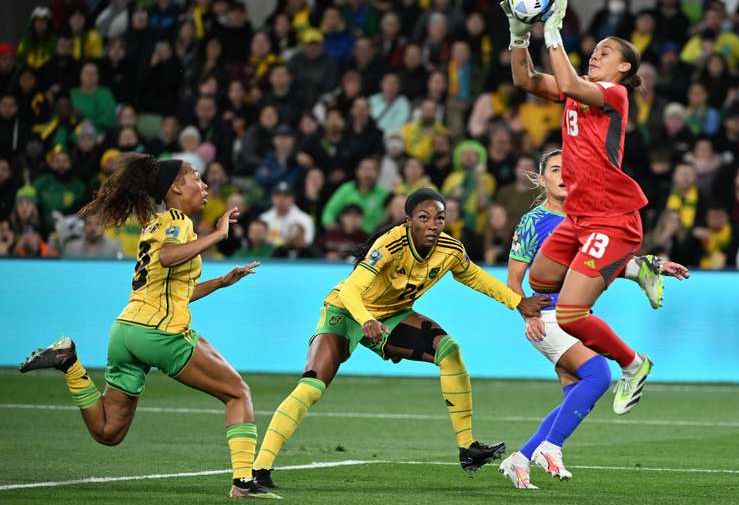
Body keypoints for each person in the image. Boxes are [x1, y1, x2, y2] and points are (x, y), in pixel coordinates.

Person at [250, 188, 550, 489]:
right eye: (424, 217)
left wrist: (516, 301)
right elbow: (351, 290)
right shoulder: (389, 245)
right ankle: (260, 468)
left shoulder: (450, 249)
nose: (433, 224)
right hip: (345, 312)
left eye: (440, 218)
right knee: (311, 386)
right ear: (408, 221)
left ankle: (467, 448)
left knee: (449, 351)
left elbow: (473, 276)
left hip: (391, 316)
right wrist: (366, 319)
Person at [18, 154, 273, 498]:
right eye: (196, 177)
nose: (205, 185)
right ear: (175, 188)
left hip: (126, 332)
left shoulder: (154, 223)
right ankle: (243, 482)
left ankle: (69, 362)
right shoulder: (178, 220)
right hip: (160, 333)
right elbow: (169, 256)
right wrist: (218, 235)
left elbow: (172, 288)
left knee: (109, 431)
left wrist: (221, 282)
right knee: (237, 392)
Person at [505, 0, 663, 414]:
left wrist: (552, 31)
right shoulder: (577, 91)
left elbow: (571, 82)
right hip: (579, 217)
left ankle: (634, 364)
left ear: (624, 67)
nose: (596, 53)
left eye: (606, 52)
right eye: (595, 48)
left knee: (573, 314)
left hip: (611, 219)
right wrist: (519, 34)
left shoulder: (614, 95)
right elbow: (524, 79)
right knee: (540, 281)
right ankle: (636, 269)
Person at [500, 149, 687, 488]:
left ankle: (521, 458)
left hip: (574, 315)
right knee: (599, 374)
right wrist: (525, 315)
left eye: (568, 170)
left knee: (575, 397)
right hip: (547, 315)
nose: (563, 176)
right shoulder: (532, 222)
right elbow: (513, 279)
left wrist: (655, 265)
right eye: (555, 170)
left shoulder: (586, 220)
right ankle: (549, 448)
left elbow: (606, 263)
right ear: (542, 180)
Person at [259, 180, 315, 247]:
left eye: (286, 196)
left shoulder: (304, 219)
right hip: (269, 256)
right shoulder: (264, 218)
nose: (281, 199)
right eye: (278, 196)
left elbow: (308, 242)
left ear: (293, 199)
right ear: (272, 198)